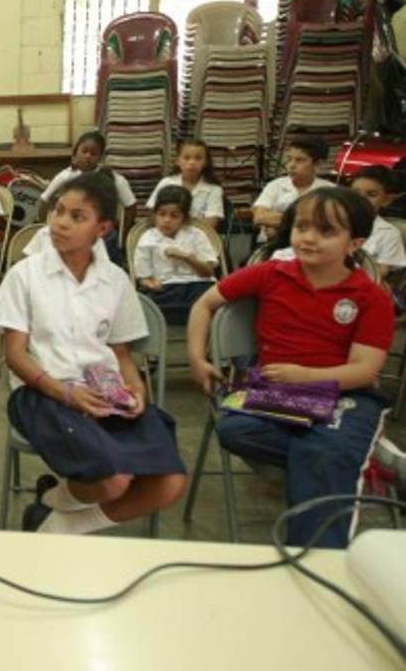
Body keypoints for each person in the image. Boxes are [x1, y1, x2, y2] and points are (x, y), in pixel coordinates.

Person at [188, 187, 393, 549]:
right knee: (235, 429)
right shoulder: (270, 273)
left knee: (325, 453)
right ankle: (360, 454)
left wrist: (307, 376)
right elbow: (205, 304)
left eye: (326, 231)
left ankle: (318, 558)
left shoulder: (370, 297)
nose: (309, 238)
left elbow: (364, 370)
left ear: (354, 242)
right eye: (301, 227)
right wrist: (196, 357)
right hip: (276, 391)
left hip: (346, 394)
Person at [0, 171, 186, 535]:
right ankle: (54, 512)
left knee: (169, 483)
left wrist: (137, 390)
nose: (60, 222)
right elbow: (15, 355)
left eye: (77, 217)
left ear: (103, 228)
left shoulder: (114, 280)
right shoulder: (25, 275)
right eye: (59, 211)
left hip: (104, 389)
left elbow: (121, 354)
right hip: (42, 393)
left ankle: (52, 520)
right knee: (113, 480)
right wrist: (66, 393)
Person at [38, 131, 135, 264]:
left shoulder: (111, 178)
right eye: (84, 151)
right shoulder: (66, 176)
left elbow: (131, 205)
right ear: (75, 152)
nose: (88, 156)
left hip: (102, 233)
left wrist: (123, 238)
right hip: (72, 228)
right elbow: (44, 199)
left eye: (93, 153)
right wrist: (45, 224)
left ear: (100, 157)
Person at [134, 186, 219, 325]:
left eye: (174, 216)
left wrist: (186, 257)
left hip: (197, 285)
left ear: (184, 218)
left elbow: (208, 272)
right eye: (162, 214)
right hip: (167, 288)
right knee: (146, 304)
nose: (167, 220)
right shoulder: (147, 238)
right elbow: (143, 277)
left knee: (213, 297)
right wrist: (151, 284)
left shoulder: (196, 235)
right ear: (154, 214)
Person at [252, 135, 333, 242]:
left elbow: (327, 223)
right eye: (289, 159)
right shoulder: (275, 185)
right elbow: (260, 217)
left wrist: (279, 225)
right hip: (273, 245)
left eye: (300, 160)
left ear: (318, 164)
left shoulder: (329, 190)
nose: (291, 165)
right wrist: (308, 221)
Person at [144, 138, 225, 231]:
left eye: (198, 158)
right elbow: (152, 214)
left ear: (206, 162)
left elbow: (210, 224)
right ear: (178, 161)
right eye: (186, 158)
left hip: (197, 238)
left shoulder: (214, 190)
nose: (192, 162)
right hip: (165, 234)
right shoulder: (166, 182)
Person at [348, 164, 406, 280]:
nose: (361, 199)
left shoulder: (389, 233)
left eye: (371, 194)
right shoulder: (332, 221)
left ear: (386, 200)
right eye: (355, 192)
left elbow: (380, 272)